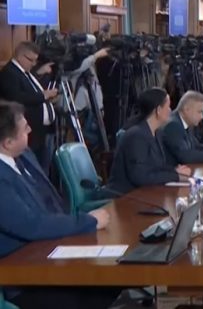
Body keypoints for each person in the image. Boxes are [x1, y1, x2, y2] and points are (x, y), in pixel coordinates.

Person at [0, 101, 119, 309]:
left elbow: (52, 202)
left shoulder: (24, 156)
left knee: (111, 282)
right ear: (8, 142)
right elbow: (31, 225)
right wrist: (87, 221)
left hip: (52, 250)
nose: (30, 129)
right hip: (23, 277)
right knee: (99, 291)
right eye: (25, 128)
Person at [107, 88, 192, 194]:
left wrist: (174, 170)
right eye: (168, 106)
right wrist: (176, 176)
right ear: (158, 110)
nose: (170, 110)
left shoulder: (157, 132)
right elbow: (140, 176)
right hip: (123, 196)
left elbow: (155, 167)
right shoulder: (136, 135)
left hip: (144, 193)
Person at [0, 42, 59, 174]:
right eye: (31, 60)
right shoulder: (9, 72)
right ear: (20, 56)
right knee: (34, 171)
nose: (33, 64)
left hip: (40, 131)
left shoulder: (26, 73)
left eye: (35, 60)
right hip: (28, 132)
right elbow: (16, 97)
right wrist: (43, 95)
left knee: (43, 168)